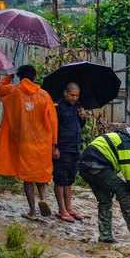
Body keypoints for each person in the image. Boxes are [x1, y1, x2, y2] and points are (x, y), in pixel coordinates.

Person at [0, 65, 57, 221]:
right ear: (34, 77)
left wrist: (9, 75)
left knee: (27, 177)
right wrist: (54, 145)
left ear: (20, 76)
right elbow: (53, 122)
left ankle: (33, 212)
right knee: (40, 174)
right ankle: (43, 199)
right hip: (42, 143)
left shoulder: (13, 91)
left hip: (22, 142)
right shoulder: (44, 96)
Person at [77, 126, 130, 243]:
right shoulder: (125, 142)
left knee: (105, 200)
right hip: (97, 165)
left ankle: (105, 236)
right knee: (122, 189)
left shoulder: (118, 138)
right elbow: (128, 166)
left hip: (85, 168)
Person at [53, 82, 86, 223]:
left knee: (70, 179)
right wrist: (55, 147)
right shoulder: (58, 107)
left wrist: (83, 117)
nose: (74, 98)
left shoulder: (78, 107)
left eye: (76, 95)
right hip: (62, 148)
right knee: (60, 179)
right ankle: (61, 209)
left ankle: (69, 208)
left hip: (74, 148)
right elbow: (53, 128)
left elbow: (80, 126)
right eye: (72, 95)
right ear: (65, 93)